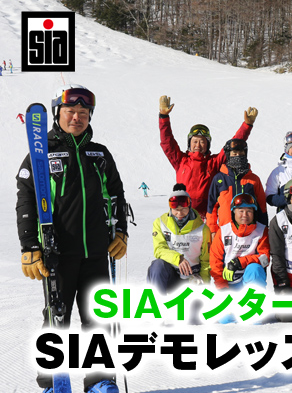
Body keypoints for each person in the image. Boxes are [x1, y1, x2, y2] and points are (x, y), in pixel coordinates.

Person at [16, 84, 127, 393]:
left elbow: (116, 194)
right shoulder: (42, 152)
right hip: (58, 254)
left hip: (96, 253)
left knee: (99, 320)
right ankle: (52, 383)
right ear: (58, 113)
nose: (77, 117)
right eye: (70, 111)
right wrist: (30, 246)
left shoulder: (99, 154)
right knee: (56, 320)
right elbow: (26, 200)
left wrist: (120, 231)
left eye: (83, 112)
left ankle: (100, 380)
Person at [158, 95, 257, 217]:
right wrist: (163, 117)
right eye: (195, 141)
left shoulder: (214, 162)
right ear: (189, 143)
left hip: (207, 216)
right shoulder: (181, 160)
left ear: (207, 144)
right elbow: (167, 142)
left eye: (202, 141)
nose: (198, 145)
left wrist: (247, 125)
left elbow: (233, 145)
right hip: (183, 213)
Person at [147, 184, 210, 294]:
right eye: (176, 209)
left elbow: (206, 261)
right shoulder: (160, 223)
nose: (179, 213)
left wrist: (205, 284)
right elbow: (159, 249)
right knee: (157, 266)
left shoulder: (202, 229)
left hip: (192, 278)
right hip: (170, 275)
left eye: (183, 209)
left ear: (189, 207)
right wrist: (178, 259)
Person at [209, 192, 269, 290]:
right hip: (229, 282)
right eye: (241, 211)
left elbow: (265, 258)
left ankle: (254, 298)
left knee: (255, 269)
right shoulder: (223, 232)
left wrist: (240, 262)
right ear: (233, 212)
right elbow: (215, 261)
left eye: (249, 211)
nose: (245, 215)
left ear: (254, 212)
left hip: (250, 278)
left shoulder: (261, 231)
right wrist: (221, 286)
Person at [207, 139, 267, 233]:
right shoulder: (219, 179)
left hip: (249, 232)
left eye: (241, 153)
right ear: (228, 155)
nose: (238, 156)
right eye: (234, 153)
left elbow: (262, 207)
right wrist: (212, 230)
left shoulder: (253, 179)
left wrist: (264, 229)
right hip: (225, 230)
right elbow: (211, 207)